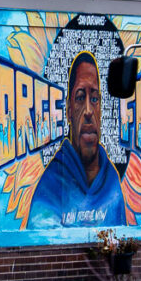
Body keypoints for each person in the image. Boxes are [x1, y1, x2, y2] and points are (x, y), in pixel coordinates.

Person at [27, 51, 126, 229]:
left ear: (101, 109)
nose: (88, 111)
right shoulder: (51, 185)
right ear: (69, 110)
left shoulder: (112, 182)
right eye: (80, 98)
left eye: (94, 99)